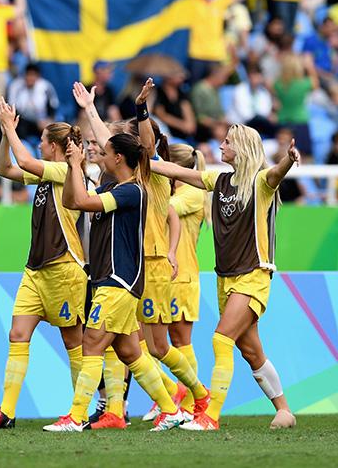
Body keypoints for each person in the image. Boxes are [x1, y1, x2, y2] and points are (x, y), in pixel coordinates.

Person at [148, 123, 299, 431]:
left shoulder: (260, 182)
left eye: (227, 142)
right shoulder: (218, 180)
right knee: (251, 351)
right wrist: (140, 160)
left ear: (241, 147)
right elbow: (177, 173)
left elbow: (276, 174)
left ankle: (210, 416)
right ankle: (284, 410)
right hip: (226, 278)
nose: (221, 146)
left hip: (253, 276)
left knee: (221, 339)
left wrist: (288, 159)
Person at [76, 79, 209, 428]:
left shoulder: (152, 170)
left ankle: (196, 393)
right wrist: (90, 108)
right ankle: (118, 411)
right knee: (123, 344)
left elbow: (144, 145)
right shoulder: (125, 175)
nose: (105, 148)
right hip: (131, 265)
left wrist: (141, 108)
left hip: (151, 265)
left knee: (158, 347)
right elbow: (108, 142)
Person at [43, 131, 185, 433]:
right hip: (112, 280)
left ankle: (77, 416)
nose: (101, 156)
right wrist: (73, 168)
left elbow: (80, 200)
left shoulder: (131, 191)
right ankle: (172, 409)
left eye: (105, 152)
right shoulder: (121, 188)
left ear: (118, 157)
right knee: (130, 352)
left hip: (118, 281)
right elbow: (73, 201)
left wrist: (78, 165)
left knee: (91, 343)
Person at [0, 103, 88, 429]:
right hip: (36, 271)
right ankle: (5, 412)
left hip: (65, 268)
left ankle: (80, 413)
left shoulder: (66, 171)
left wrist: (10, 126)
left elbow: (23, 161)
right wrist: (6, 135)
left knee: (72, 342)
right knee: (18, 334)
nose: (38, 144)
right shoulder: (46, 176)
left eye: (41, 140)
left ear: (54, 146)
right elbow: (4, 168)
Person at [164, 143, 208, 404]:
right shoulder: (175, 190)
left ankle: (191, 401)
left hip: (182, 275)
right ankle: (173, 393)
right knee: (152, 341)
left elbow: (162, 209)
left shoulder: (192, 193)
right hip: (164, 274)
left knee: (180, 341)